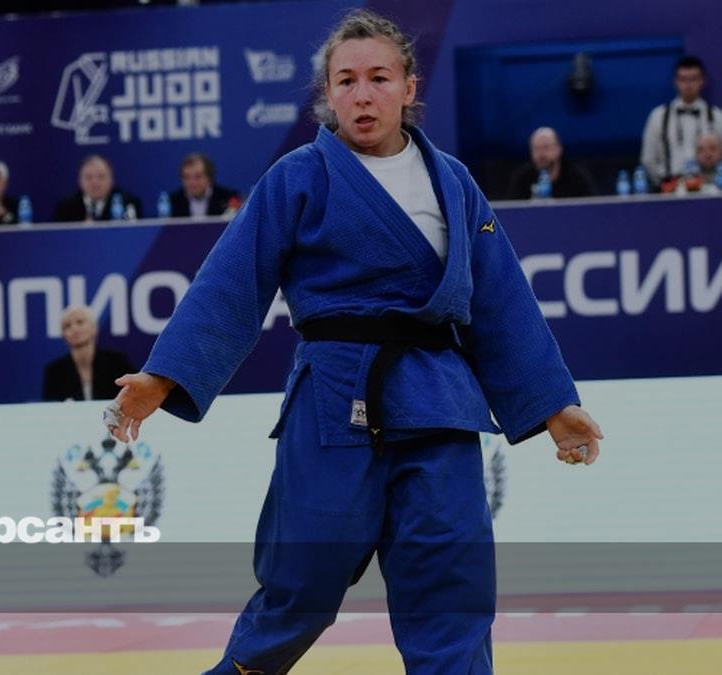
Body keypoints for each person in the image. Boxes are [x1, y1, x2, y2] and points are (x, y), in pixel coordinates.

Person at [103, 10, 603, 674]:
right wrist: (162, 377)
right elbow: (230, 284)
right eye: (346, 81)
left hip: (440, 400)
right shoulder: (298, 177)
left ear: (409, 87)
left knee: (450, 589)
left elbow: (502, 301)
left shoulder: (453, 182)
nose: (363, 95)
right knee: (301, 583)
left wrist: (553, 405)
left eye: (379, 78)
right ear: (328, 93)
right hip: (335, 399)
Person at [640, 56, 722, 187]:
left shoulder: (717, 116)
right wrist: (663, 185)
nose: (688, 85)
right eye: (683, 79)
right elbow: (648, 159)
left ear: (702, 81)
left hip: (709, 188)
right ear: (676, 81)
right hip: (668, 189)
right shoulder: (658, 116)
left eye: (693, 79)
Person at [43, 306, 135, 401]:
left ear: (94, 328)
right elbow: (52, 406)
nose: (74, 328)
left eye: (80, 322)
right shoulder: (55, 372)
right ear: (63, 335)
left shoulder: (117, 362)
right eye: (67, 326)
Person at [505, 126, 596, 199]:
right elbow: (511, 210)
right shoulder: (522, 177)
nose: (541, 154)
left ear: (559, 149)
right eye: (536, 149)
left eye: (546, 147)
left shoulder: (577, 176)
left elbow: (592, 208)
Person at [52, 155, 142, 223]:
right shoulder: (65, 208)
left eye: (101, 176)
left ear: (111, 179)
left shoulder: (128, 203)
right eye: (89, 177)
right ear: (80, 180)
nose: (95, 182)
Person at [169, 152, 241, 218]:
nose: (192, 183)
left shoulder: (228, 198)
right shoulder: (172, 202)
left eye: (198, 176)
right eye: (186, 177)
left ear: (209, 178)